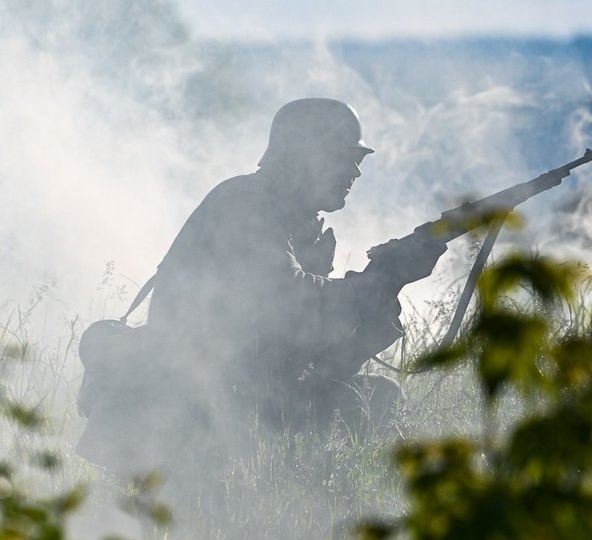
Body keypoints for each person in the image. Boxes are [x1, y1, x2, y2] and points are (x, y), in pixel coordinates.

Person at [76, 98, 447, 476]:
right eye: (344, 158)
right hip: (199, 405)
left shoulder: (289, 217)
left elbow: (313, 350)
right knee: (371, 402)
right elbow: (288, 304)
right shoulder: (247, 204)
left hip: (241, 397)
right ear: (308, 156)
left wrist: (386, 282)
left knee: (377, 398)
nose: (355, 172)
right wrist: (382, 279)